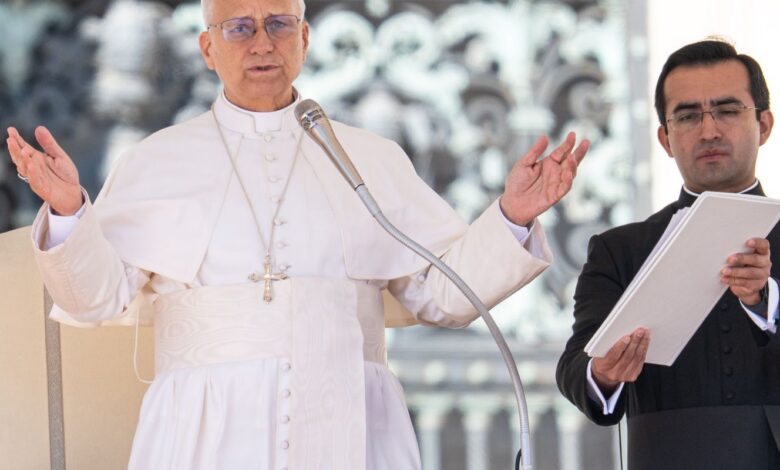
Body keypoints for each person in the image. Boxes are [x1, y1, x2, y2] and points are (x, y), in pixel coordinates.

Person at [5, 0, 588, 469]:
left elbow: (443, 296)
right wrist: (68, 212)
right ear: (208, 48)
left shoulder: (368, 157)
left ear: (305, 40)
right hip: (204, 429)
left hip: (353, 423)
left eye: (279, 23)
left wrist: (512, 215)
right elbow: (96, 298)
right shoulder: (156, 161)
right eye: (239, 27)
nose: (262, 42)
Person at [556, 39, 780, 469]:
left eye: (728, 110)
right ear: (664, 137)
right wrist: (603, 372)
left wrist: (764, 301)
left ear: (764, 124)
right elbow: (575, 365)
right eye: (688, 115)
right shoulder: (618, 250)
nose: (709, 130)